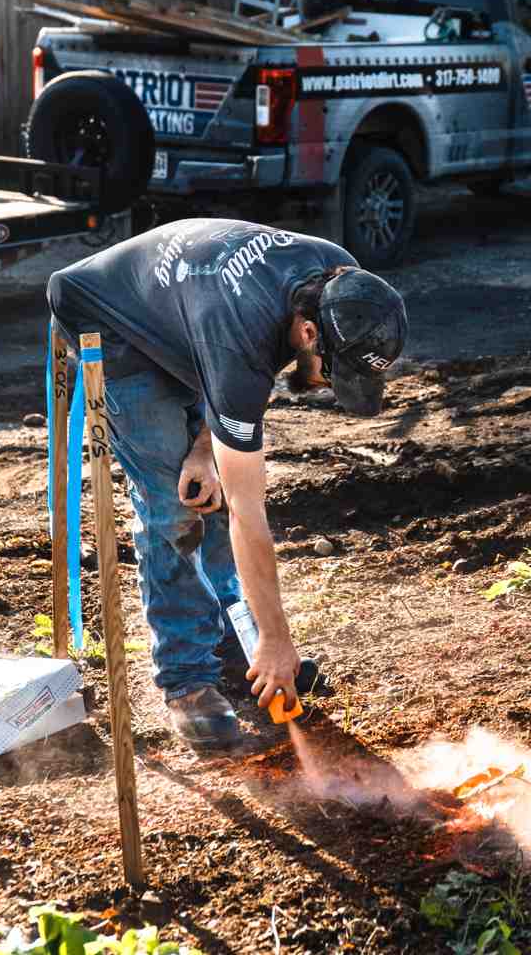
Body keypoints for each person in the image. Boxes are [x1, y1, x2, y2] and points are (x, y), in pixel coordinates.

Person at [47, 219, 408, 750]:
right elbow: (249, 511)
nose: (328, 383)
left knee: (210, 484)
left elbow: (245, 383)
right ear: (309, 333)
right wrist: (282, 640)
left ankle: (239, 643)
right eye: (333, 370)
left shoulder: (338, 277)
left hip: (187, 316)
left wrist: (204, 449)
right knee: (178, 508)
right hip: (110, 316)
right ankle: (187, 679)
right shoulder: (240, 330)